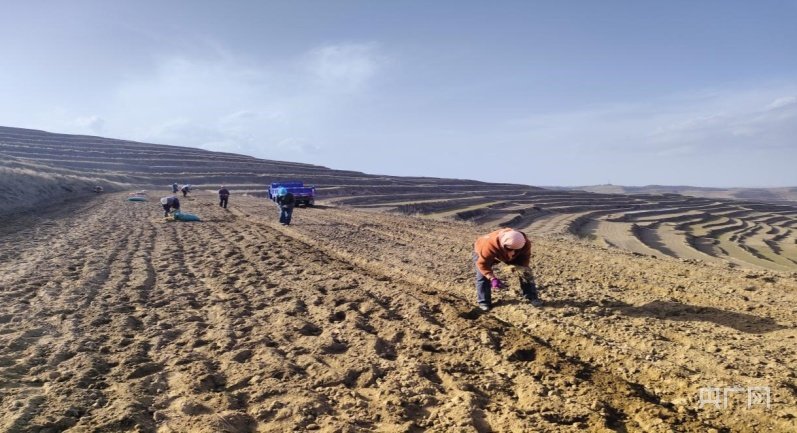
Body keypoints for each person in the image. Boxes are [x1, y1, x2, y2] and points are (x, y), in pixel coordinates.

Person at [473, 228, 541, 311]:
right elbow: (482, 264)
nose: (512, 252)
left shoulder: (525, 243)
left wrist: (520, 268)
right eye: (509, 249)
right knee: (482, 276)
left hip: (504, 252)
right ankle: (484, 302)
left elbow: (524, 260)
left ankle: (531, 297)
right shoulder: (488, 245)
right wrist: (492, 278)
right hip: (487, 253)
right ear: (503, 245)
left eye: (516, 250)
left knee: (525, 272)